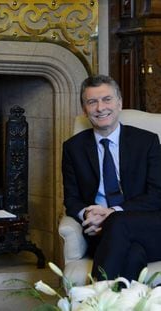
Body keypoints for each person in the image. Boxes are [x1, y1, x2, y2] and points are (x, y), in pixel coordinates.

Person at [62, 74, 161, 281]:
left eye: (107, 99)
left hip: (147, 226)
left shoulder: (147, 141)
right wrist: (88, 214)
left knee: (117, 221)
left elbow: (156, 195)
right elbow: (71, 199)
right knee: (133, 256)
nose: (100, 108)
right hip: (100, 232)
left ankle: (94, 297)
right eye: (92, 102)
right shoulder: (73, 148)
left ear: (120, 103)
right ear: (84, 109)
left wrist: (111, 213)